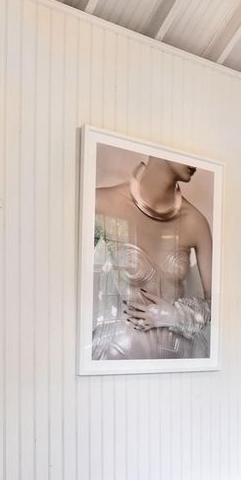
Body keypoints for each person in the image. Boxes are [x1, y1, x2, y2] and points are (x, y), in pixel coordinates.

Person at [90, 154, 213, 360]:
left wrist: (174, 315)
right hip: (118, 353)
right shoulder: (100, 203)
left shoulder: (196, 222)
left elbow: (217, 304)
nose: (194, 164)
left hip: (181, 356)